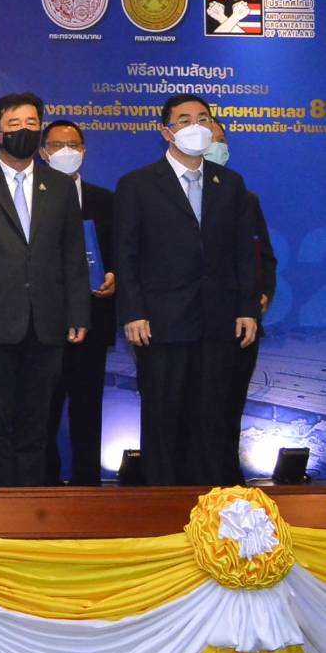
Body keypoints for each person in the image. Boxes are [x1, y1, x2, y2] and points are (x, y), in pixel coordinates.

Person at [116, 94, 260, 487]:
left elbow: (243, 253)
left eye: (203, 118)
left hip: (218, 320)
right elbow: (126, 254)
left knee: (212, 416)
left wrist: (247, 308)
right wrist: (133, 311)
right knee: (164, 416)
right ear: (167, 132)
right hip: (161, 322)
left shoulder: (230, 184)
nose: (195, 126)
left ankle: (211, 502)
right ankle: (163, 501)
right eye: (184, 120)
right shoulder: (137, 184)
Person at [0, 93, 88, 488]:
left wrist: (79, 312)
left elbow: (73, 254)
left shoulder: (60, 186)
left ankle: (30, 504)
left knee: (36, 422)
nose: (24, 131)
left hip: (47, 321)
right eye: (14, 125)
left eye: (31, 124)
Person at [38, 119, 116, 486]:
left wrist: (114, 276)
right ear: (43, 152)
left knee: (88, 409)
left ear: (84, 151)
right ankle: (45, 485)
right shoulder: (30, 197)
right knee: (43, 411)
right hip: (45, 324)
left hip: (93, 320)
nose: (66, 151)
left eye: (73, 144)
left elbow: (120, 254)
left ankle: (88, 485)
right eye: (57, 145)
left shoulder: (106, 200)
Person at [203, 120, 276, 483]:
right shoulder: (168, 197)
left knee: (230, 407)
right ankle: (192, 482)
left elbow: (265, 257)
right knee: (196, 408)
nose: (217, 146)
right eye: (210, 139)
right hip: (196, 324)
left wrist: (262, 294)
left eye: (222, 140)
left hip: (241, 322)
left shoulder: (246, 198)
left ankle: (228, 482)